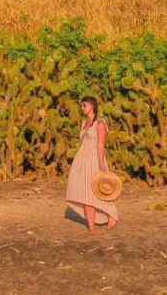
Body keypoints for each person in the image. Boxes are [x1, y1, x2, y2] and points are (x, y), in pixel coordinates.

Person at [65, 96, 118, 234]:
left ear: (92, 106)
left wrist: (101, 163)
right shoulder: (84, 123)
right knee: (83, 191)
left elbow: (100, 144)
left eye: (84, 105)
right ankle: (91, 227)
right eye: (82, 105)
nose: (82, 108)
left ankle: (111, 215)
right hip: (81, 158)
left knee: (96, 190)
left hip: (94, 158)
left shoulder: (100, 123)